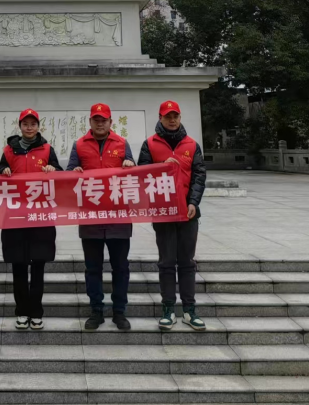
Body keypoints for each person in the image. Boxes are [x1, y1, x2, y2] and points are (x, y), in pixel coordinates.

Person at [138, 100, 207, 332]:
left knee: (186, 262)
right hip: (164, 212)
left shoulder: (191, 145)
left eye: (175, 115)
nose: (172, 119)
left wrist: (193, 203)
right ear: (160, 118)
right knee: (167, 262)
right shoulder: (150, 144)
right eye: (167, 116)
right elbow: (142, 174)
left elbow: (199, 175)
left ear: (180, 117)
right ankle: (168, 308)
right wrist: (160, 167)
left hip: (188, 213)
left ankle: (189, 310)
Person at [67, 103, 136, 331]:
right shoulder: (79, 145)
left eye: (103, 120)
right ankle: (96, 311)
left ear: (110, 122)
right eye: (96, 119)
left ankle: (119, 312)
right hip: (91, 218)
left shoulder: (122, 144)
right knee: (93, 268)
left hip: (118, 218)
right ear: (90, 122)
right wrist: (73, 172)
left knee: (120, 268)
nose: (100, 123)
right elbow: (69, 174)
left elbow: (134, 174)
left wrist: (130, 164)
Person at [0, 108, 62, 330]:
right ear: (20, 126)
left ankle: (36, 311)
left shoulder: (47, 149)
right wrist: (3, 170)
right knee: (19, 266)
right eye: (26, 124)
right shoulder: (9, 150)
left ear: (38, 126)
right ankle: (21, 311)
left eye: (33, 124)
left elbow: (62, 176)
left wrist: (53, 169)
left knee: (39, 266)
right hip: (15, 216)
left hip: (40, 216)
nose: (29, 127)